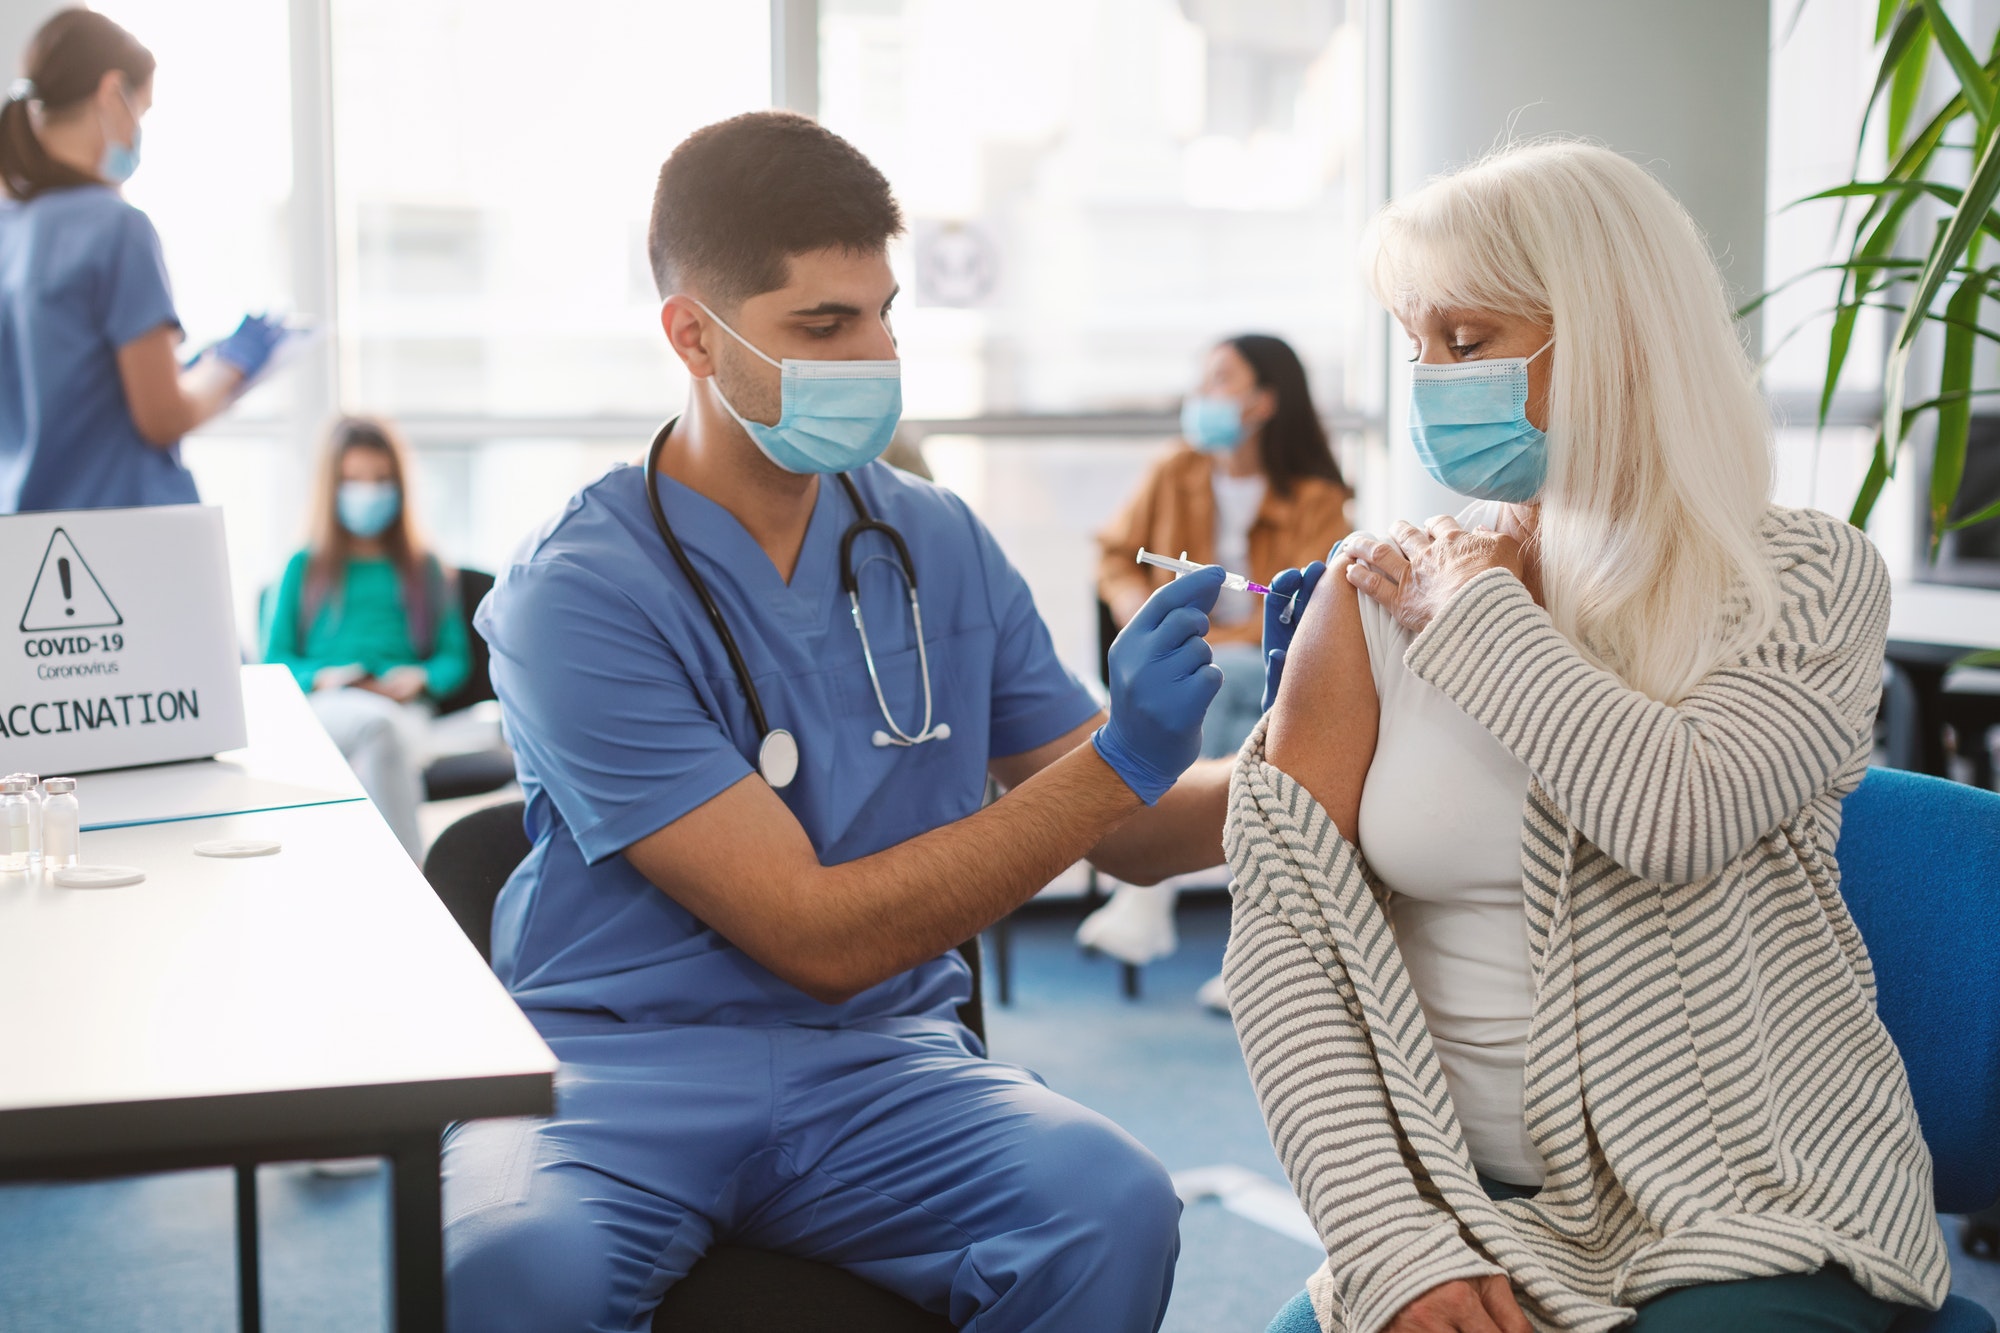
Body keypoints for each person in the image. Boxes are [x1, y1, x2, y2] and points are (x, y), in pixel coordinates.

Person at [443, 111, 1249, 1333]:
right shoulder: (576, 590)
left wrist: (1330, 758)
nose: (872, 355)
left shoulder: (934, 540)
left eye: (882, 314)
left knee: (1112, 1205)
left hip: (879, 1068)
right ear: (692, 336)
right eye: (822, 326)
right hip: (611, 1075)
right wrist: (1122, 762)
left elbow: (1133, 838)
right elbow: (813, 935)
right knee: (515, 1273)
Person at [1233, 141, 1945, 1333]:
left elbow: (1672, 814)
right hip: (1464, 1207)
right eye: (1416, 346)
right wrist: (1392, 1241)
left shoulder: (1805, 576)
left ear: (1617, 339)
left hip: (1751, 1193)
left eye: (1465, 343)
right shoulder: (1370, 595)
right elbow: (1285, 945)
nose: (1430, 381)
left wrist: (1475, 614)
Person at [1080, 334, 1350, 985]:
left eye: (1221, 380)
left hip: (1254, 666)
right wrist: (1134, 609)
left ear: (1263, 401)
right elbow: (1117, 556)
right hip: (1195, 658)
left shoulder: (1318, 499)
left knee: (1233, 679)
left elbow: (1301, 616)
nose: (1202, 395)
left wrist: (1200, 639)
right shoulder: (1176, 471)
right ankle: (1255, 941)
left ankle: (1149, 895)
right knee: (1225, 687)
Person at [0, 8, 285, 513]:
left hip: (22, 545)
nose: (138, 130)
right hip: (120, 543)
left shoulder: (11, 227)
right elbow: (161, 415)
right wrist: (234, 366)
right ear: (112, 94)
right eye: (143, 110)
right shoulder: (117, 228)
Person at [261, 416, 468, 859]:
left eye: (380, 480)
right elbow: (273, 662)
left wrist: (421, 678)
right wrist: (322, 678)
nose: (368, 494)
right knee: (376, 731)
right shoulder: (303, 566)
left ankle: (385, 870)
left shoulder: (425, 568)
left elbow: (455, 660)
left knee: (385, 738)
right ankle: (412, 874)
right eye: (353, 480)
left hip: (403, 705)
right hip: (330, 705)